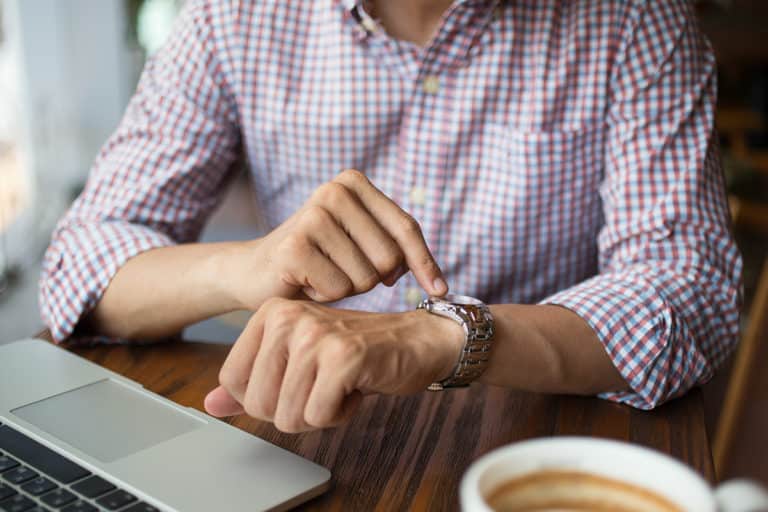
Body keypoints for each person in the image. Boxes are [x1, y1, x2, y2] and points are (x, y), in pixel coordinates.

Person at [40, 0, 742, 433]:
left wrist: (443, 337)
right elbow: (80, 265)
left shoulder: (634, 17)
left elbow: (692, 290)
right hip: (300, 427)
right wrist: (249, 264)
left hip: (532, 428)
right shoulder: (235, 16)